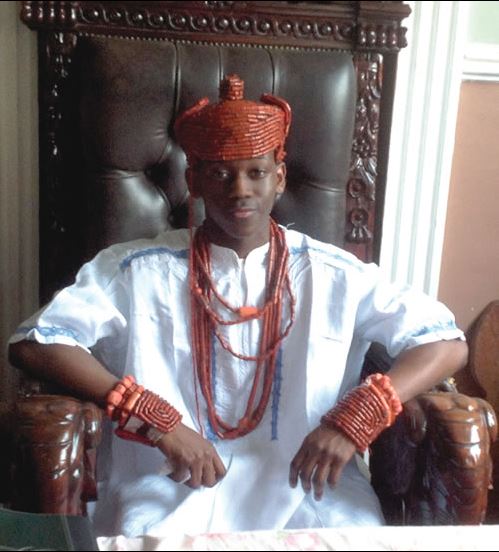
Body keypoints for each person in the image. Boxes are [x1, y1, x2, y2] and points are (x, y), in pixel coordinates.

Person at [9, 74, 467, 537]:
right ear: (194, 181)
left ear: (280, 178)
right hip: (168, 482)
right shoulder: (136, 269)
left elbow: (445, 343)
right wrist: (154, 420)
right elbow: (36, 343)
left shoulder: (333, 272)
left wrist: (357, 417)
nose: (240, 189)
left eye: (256, 173)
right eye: (220, 174)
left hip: (311, 486)